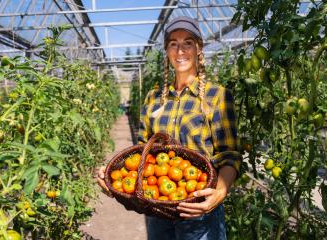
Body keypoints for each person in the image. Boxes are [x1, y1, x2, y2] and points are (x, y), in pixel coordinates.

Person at [97, 16, 242, 240]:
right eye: (173, 43)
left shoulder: (217, 96)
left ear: (199, 49)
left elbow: (230, 155)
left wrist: (219, 193)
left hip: (199, 207)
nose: (180, 50)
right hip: (156, 206)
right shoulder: (153, 98)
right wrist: (113, 178)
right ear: (167, 51)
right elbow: (142, 154)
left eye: (187, 43)